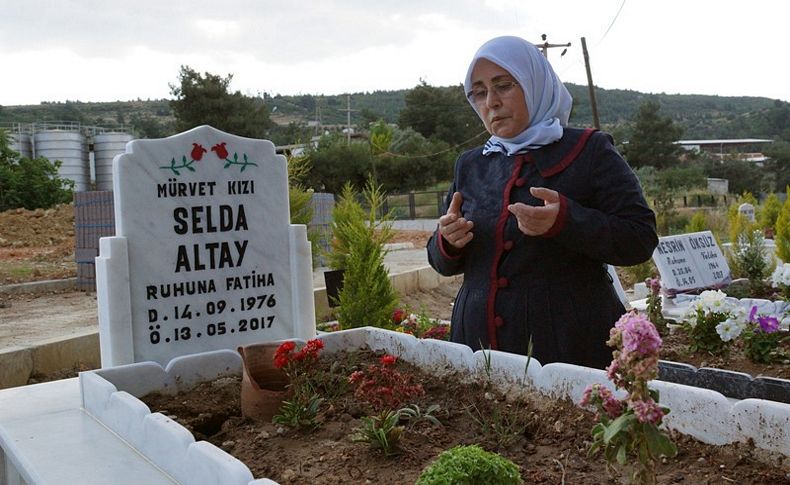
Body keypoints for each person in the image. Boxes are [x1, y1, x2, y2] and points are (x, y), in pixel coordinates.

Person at [427, 36, 658, 369]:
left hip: (566, 347)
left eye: (503, 85)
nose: (490, 102)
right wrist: (446, 242)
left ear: (534, 84)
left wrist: (566, 221)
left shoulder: (589, 151)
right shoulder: (472, 164)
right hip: (477, 346)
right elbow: (441, 260)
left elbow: (640, 238)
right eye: (478, 92)